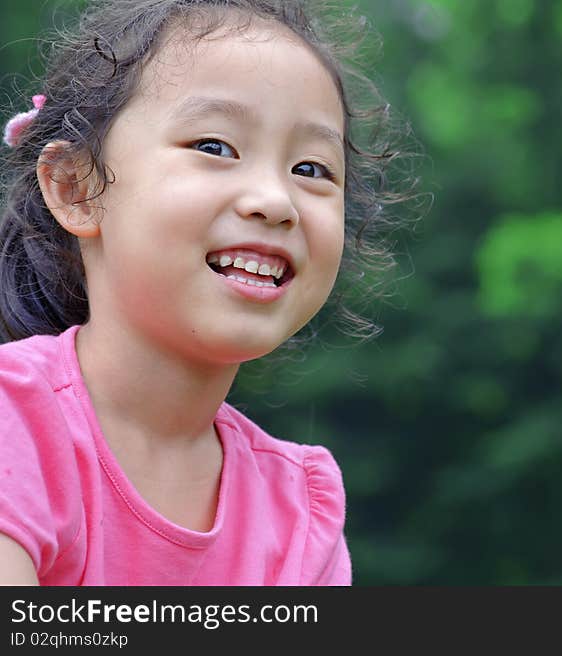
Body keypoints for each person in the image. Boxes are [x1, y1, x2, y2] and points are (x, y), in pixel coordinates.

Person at [0, 0, 417, 585]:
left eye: (312, 169)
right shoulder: (14, 423)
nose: (275, 201)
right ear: (76, 188)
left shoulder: (300, 510)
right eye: (215, 147)